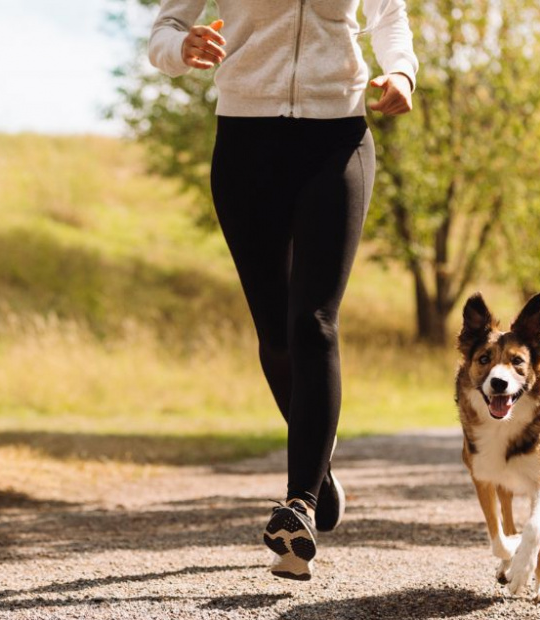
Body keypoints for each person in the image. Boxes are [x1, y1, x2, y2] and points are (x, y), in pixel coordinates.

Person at [149, 0, 418, 581]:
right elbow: (165, 31)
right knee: (275, 332)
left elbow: (388, 15)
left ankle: (297, 506)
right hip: (247, 146)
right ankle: (318, 469)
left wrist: (401, 71)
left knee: (313, 322)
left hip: (336, 139)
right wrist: (181, 48)